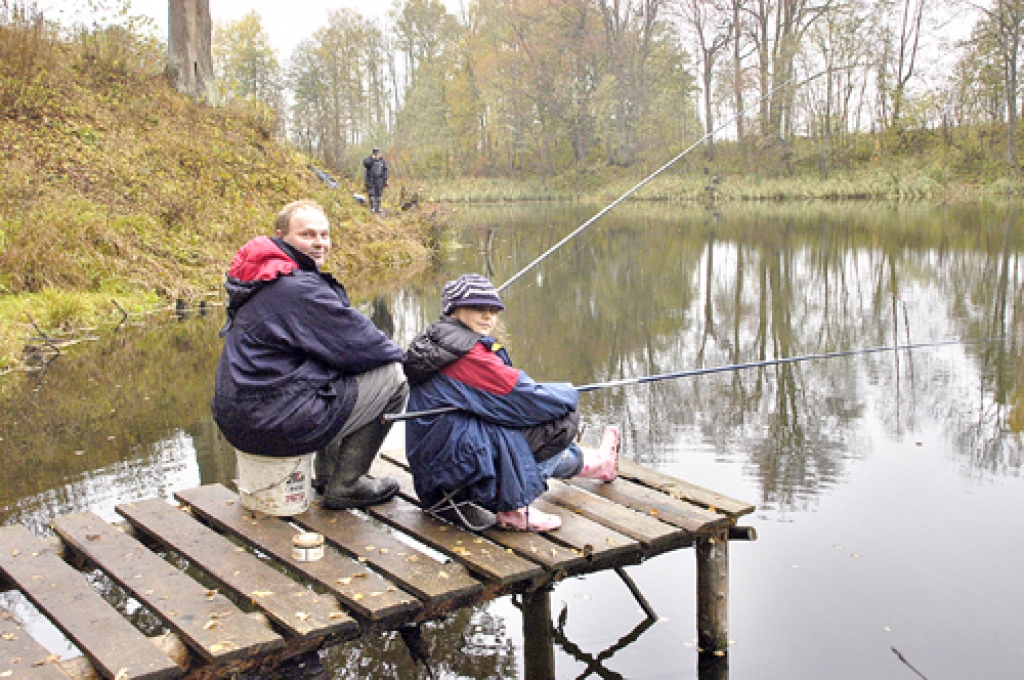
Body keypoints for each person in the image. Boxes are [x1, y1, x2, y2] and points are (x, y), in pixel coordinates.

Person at [211, 199, 407, 510]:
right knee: (394, 378)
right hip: (272, 424)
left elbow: (344, 347)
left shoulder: (261, 278)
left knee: (336, 365)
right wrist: (416, 360)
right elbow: (368, 345)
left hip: (242, 420)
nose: (319, 243)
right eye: (307, 235)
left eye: (324, 235)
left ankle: (327, 477)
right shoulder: (297, 288)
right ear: (280, 236)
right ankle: (346, 483)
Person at [402, 273, 620, 532]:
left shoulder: (435, 341)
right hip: (459, 467)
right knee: (561, 420)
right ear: (455, 310)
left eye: (493, 310)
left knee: (524, 435)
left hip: (435, 471)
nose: (488, 317)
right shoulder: (469, 355)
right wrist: (568, 392)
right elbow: (524, 398)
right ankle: (515, 507)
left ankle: (598, 464)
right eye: (478, 308)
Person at [362, 148, 389, 214]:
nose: (376, 155)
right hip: (371, 180)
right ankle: (372, 208)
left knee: (379, 194)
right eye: (375, 153)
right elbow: (365, 163)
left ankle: (378, 208)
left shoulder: (382, 161)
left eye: (377, 153)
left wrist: (385, 180)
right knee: (372, 194)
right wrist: (372, 158)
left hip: (380, 180)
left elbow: (385, 170)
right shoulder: (369, 160)